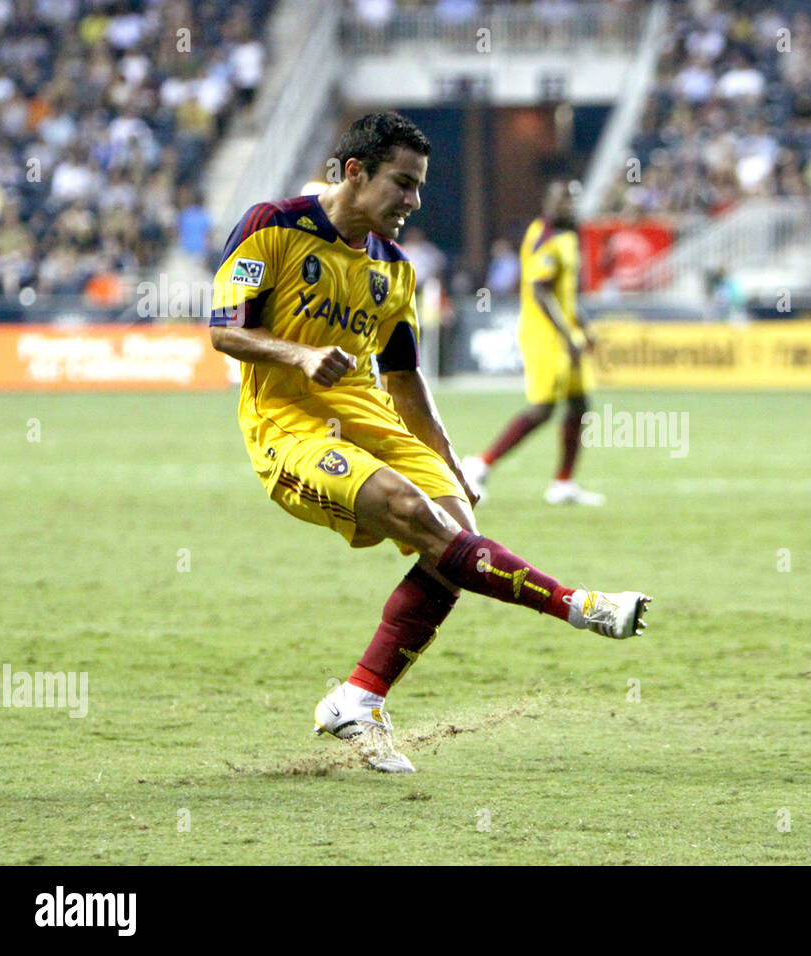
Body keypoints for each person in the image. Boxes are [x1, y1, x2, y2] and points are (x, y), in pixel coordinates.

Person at [208, 113, 649, 773]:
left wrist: (448, 461)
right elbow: (223, 330)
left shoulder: (394, 268)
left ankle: (359, 697)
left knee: (456, 537)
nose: (414, 202)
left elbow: (407, 382)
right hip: (288, 427)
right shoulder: (273, 224)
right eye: (403, 184)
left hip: (374, 419)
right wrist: (297, 356)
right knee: (420, 518)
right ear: (355, 173)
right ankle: (580, 607)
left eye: (419, 186)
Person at [462, 180, 605, 505]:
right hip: (544, 335)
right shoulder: (542, 236)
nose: (566, 206)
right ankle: (480, 465)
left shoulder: (568, 238)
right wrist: (568, 335)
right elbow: (541, 292)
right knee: (543, 409)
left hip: (566, 332)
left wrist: (583, 326)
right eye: (560, 200)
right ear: (547, 202)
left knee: (580, 403)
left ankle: (563, 484)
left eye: (572, 201)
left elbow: (564, 295)